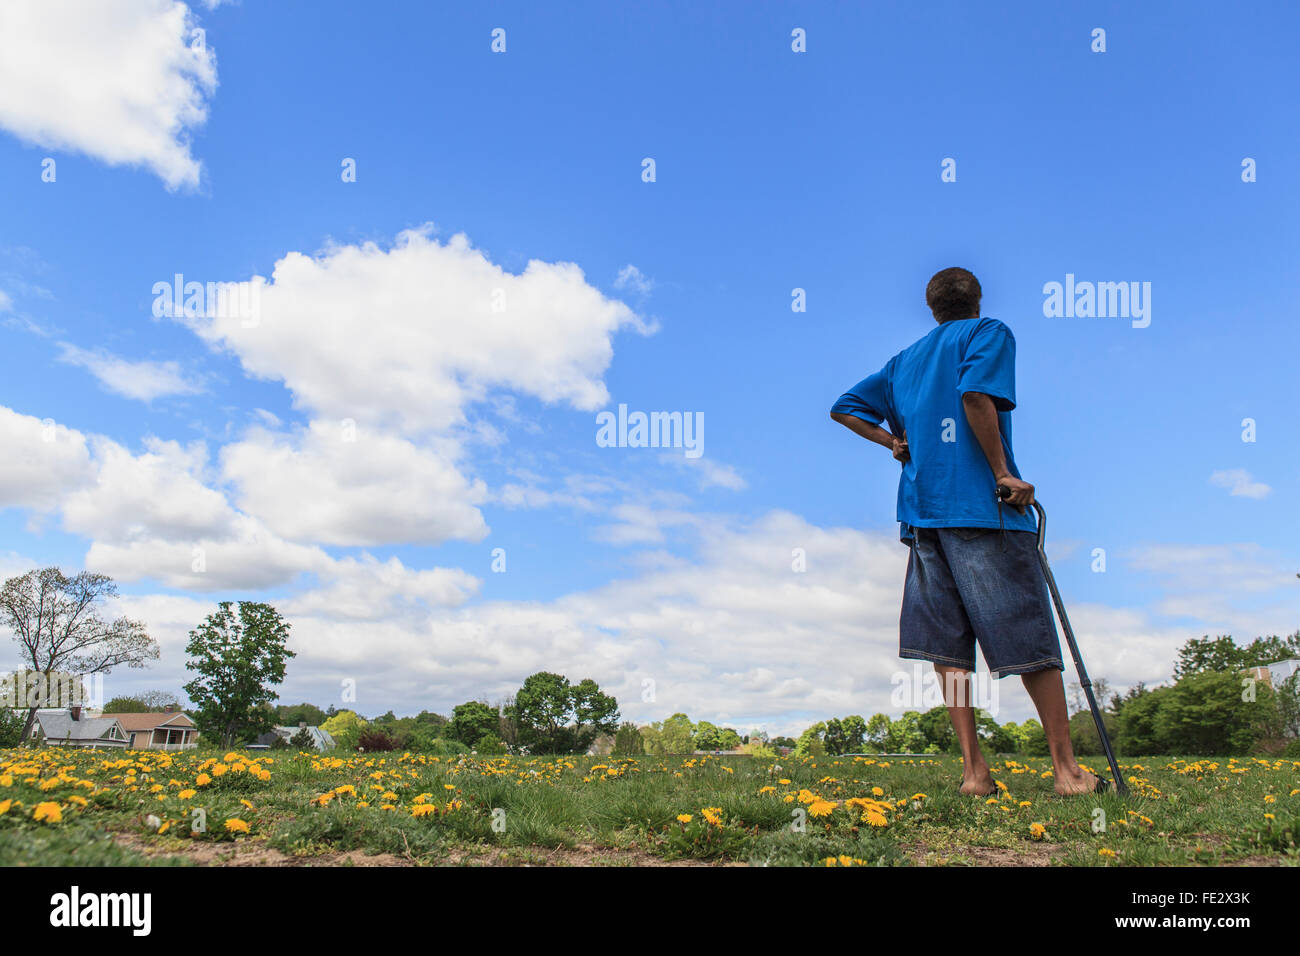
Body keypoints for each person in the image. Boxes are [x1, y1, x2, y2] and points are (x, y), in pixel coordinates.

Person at [830, 267, 1106, 796]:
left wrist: (892, 441)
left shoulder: (903, 362)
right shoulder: (988, 333)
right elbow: (976, 395)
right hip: (982, 509)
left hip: (922, 518)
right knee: (1027, 634)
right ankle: (1068, 773)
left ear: (932, 308)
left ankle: (974, 774)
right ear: (976, 300)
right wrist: (1003, 473)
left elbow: (844, 407)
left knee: (948, 645)